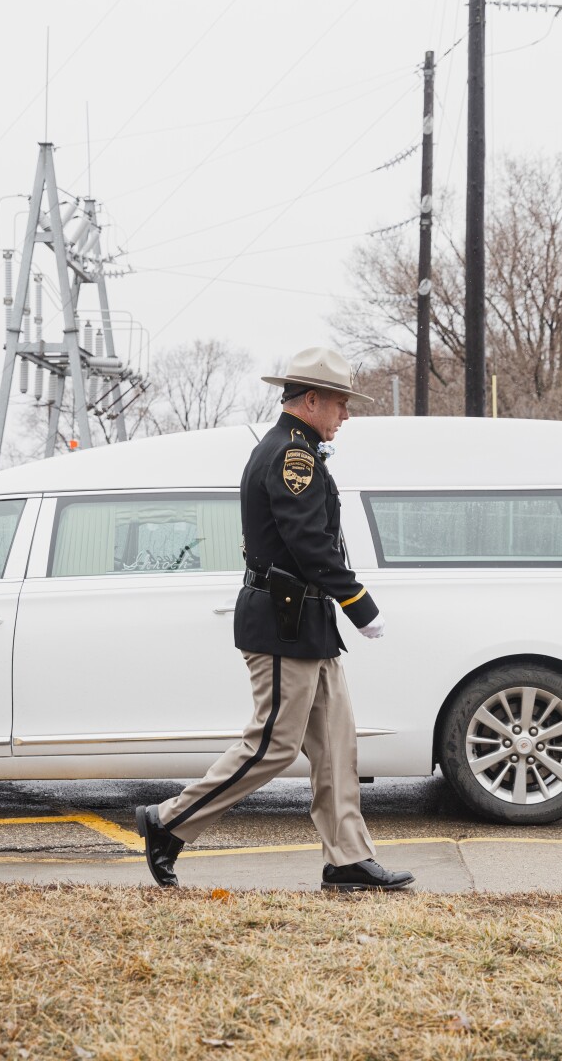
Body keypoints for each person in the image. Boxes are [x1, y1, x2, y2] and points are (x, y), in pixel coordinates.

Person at [134, 347, 414, 892]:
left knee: (336, 745)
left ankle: (348, 858)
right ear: (310, 401)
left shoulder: (297, 448)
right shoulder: (293, 456)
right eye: (339, 403)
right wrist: (359, 602)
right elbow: (308, 542)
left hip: (305, 621)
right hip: (285, 620)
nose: (346, 416)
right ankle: (168, 822)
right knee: (272, 745)